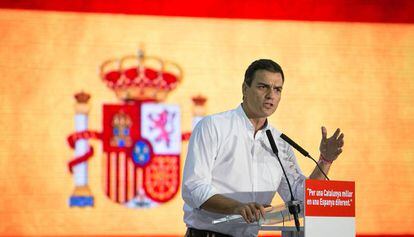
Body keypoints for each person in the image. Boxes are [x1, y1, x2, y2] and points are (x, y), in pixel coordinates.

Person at [181, 59, 344, 237]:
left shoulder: (280, 143)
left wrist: (325, 161)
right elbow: (194, 188)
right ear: (245, 89)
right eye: (263, 87)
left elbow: (300, 196)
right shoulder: (213, 127)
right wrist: (237, 207)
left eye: (277, 89)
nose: (270, 95)